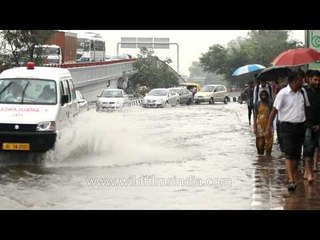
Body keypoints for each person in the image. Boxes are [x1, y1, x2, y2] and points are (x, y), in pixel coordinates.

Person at [265, 70, 309, 192]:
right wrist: (269, 127)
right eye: (300, 80)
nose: (302, 82)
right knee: (289, 153)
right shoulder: (283, 94)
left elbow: (306, 108)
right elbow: (274, 110)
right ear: (293, 81)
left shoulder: (303, 93)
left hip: (301, 126)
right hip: (286, 127)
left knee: (296, 154)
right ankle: (290, 180)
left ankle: (293, 176)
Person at [302, 70, 320, 182]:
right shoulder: (303, 91)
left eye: (319, 80)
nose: (317, 82)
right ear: (309, 79)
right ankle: (307, 171)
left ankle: (308, 168)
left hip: (318, 125)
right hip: (306, 124)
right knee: (308, 147)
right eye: (315, 80)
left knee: (314, 147)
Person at [253, 90, 273, 156]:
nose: (264, 96)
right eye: (262, 95)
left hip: (269, 126)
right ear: (260, 96)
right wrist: (255, 127)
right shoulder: (257, 104)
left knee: (269, 145)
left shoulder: (271, 104)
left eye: (265, 95)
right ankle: (261, 161)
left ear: (267, 96)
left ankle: (268, 160)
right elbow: (255, 115)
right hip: (260, 127)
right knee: (260, 145)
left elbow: (273, 114)